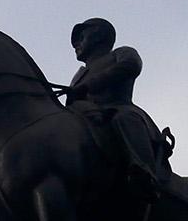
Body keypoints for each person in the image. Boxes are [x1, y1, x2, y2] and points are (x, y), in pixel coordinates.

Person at [65, 18, 168, 200]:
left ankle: (144, 171)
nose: (76, 44)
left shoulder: (122, 53)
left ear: (98, 36)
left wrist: (89, 85)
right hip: (89, 116)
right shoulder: (79, 75)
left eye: (82, 36)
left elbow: (130, 66)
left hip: (119, 108)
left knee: (124, 119)